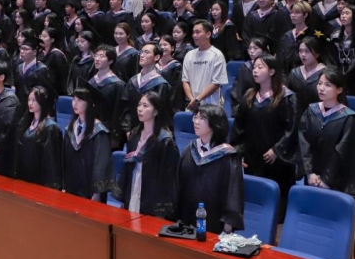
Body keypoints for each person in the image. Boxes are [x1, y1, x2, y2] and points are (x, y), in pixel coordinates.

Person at [230, 55, 298, 215]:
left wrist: (277, 150)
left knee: (277, 206)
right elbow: (239, 128)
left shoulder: (287, 97)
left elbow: (292, 129)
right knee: (255, 202)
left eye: (260, 67)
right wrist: (238, 152)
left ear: (272, 71)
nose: (255, 70)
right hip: (253, 157)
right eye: (254, 67)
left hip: (277, 161)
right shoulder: (249, 96)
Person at [177, 103, 244, 234]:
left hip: (214, 224)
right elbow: (179, 183)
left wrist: (227, 228)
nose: (196, 122)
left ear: (215, 123)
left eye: (202, 118)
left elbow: (233, 193)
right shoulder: (190, 149)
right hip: (187, 222)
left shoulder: (227, 155)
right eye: (195, 117)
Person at [299, 68, 355, 195]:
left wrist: (326, 179)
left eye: (327, 85)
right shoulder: (311, 111)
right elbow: (304, 141)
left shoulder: (349, 118)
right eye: (319, 83)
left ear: (339, 90)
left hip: (335, 181)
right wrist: (309, 172)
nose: (321, 88)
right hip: (311, 178)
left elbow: (343, 151)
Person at [115, 90, 179, 218]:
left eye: (145, 106)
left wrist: (161, 210)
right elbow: (127, 168)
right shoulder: (134, 134)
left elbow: (167, 179)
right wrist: (123, 198)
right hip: (133, 185)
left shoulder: (165, 141)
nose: (140, 109)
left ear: (156, 111)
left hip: (151, 195)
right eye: (139, 105)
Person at [63, 87, 113, 201]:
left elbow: (101, 166)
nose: (75, 103)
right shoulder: (70, 129)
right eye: (74, 99)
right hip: (71, 187)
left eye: (80, 100)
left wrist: (97, 193)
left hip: (90, 192)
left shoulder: (99, 132)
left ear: (90, 103)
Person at [14, 85, 63, 190]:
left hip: (40, 179)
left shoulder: (50, 128)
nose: (30, 103)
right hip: (24, 176)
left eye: (34, 100)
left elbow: (51, 161)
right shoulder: (26, 122)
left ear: (42, 102)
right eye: (29, 100)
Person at [182, 20, 228, 111]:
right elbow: (185, 80)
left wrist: (198, 99)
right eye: (193, 32)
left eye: (198, 32)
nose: (194, 35)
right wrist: (192, 99)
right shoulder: (189, 55)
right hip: (192, 104)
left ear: (208, 34)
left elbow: (216, 82)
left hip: (211, 106)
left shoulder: (217, 55)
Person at [286, 36, 327, 121]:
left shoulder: (326, 74)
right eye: (300, 51)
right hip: (296, 118)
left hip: (318, 118)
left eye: (307, 51)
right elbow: (287, 98)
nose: (303, 55)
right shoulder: (294, 73)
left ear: (317, 53)